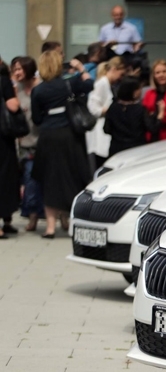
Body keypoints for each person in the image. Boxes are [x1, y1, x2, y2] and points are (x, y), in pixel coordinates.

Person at [31, 50, 93, 238]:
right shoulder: (70, 83)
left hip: (48, 136)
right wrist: (81, 68)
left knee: (50, 179)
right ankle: (71, 221)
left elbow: (36, 118)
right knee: (72, 176)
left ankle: (50, 227)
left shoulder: (38, 90)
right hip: (69, 136)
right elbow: (90, 84)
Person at [11, 56, 44, 232]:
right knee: (29, 181)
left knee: (35, 181)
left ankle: (38, 216)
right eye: (14, 69)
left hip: (41, 143)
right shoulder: (17, 92)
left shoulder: (41, 88)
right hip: (24, 145)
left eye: (19, 69)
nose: (16, 72)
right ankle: (33, 215)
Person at [104, 77, 163, 157]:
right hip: (137, 150)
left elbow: (106, 129)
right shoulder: (140, 109)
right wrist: (160, 114)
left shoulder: (112, 107)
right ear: (134, 92)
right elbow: (153, 128)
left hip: (117, 150)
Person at [86, 56, 125, 171]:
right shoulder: (101, 84)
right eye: (121, 74)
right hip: (99, 131)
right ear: (113, 69)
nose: (121, 78)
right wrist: (111, 110)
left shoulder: (108, 85)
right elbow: (93, 108)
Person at [0, 61, 21, 239]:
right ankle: (4, 222)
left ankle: (6, 221)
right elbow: (13, 105)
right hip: (2, 138)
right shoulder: (4, 81)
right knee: (5, 177)